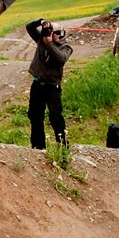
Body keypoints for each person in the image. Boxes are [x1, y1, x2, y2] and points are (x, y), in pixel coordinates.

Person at [25, 18, 73, 149]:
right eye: (50, 32)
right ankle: (38, 147)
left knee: (55, 116)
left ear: (61, 33)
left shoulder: (66, 47)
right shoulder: (42, 39)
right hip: (38, 84)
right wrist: (40, 22)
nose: (51, 35)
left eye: (54, 32)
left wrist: (50, 43)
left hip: (52, 87)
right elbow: (29, 27)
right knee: (35, 116)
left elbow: (60, 59)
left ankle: (62, 145)